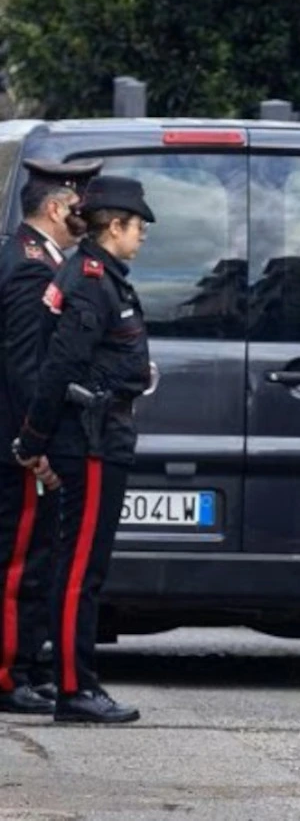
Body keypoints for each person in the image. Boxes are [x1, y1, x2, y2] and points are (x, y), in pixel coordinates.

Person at [13, 175, 156, 724]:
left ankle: (78, 684)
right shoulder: (92, 281)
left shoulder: (104, 277)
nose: (141, 237)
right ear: (114, 225)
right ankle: (76, 689)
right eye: (138, 226)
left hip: (101, 438)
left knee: (83, 567)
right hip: (90, 440)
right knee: (79, 571)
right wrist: (34, 439)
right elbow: (58, 367)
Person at [0, 159, 101, 714]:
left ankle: (25, 668)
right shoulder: (31, 267)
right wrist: (31, 445)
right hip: (16, 442)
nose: (90, 216)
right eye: (83, 206)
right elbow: (24, 367)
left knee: (35, 558)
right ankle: (7, 673)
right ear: (60, 207)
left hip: (23, 440)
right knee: (17, 562)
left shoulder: (41, 260)